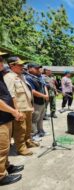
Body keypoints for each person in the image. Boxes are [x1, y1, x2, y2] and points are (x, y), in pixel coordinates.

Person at [4, 57, 38, 156]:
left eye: (23, 65)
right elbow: (11, 95)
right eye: (20, 65)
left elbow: (27, 93)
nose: (22, 67)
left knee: (28, 128)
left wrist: (31, 105)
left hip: (27, 107)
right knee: (20, 130)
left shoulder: (21, 76)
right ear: (11, 65)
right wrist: (16, 110)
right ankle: (21, 147)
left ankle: (28, 141)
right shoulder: (9, 77)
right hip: (19, 108)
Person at [0, 57, 24, 186]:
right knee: (1, 148)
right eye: (0, 59)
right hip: (1, 119)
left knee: (6, 146)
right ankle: (1, 176)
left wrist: (13, 111)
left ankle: (6, 166)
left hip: (6, 117)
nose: (2, 62)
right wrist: (14, 111)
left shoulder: (1, 75)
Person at [26, 63, 49, 140]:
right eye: (36, 68)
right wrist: (44, 96)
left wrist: (47, 95)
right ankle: (34, 135)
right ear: (29, 68)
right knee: (34, 119)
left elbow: (44, 85)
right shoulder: (28, 78)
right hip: (35, 102)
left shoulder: (39, 76)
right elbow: (33, 91)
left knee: (41, 117)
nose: (38, 69)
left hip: (42, 101)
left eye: (39, 68)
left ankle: (41, 131)